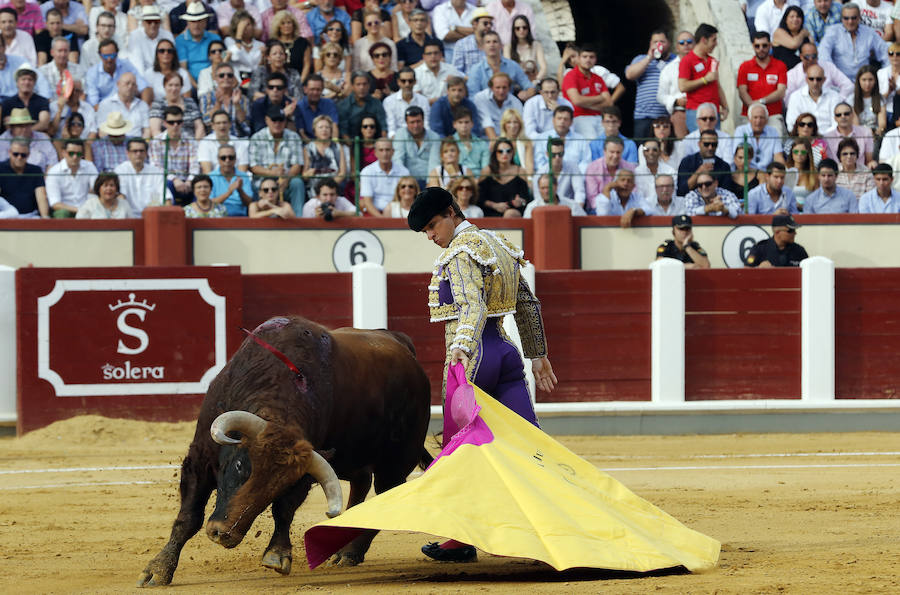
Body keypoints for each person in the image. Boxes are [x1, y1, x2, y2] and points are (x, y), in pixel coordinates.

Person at [407, 187, 556, 567]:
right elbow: (527, 303)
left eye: (433, 225)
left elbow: (471, 306)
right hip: (506, 353)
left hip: (473, 357)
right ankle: (550, 531)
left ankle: (460, 539)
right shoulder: (498, 244)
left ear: (451, 212)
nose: (431, 236)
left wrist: (462, 346)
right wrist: (537, 355)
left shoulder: (459, 252)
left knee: (460, 450)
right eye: (425, 231)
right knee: (529, 446)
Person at [249, 104, 305, 213]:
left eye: (280, 120)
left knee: (297, 183)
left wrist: (286, 178)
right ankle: (258, 218)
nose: (277, 123)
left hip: (286, 179)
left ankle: (298, 217)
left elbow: (297, 165)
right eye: (274, 120)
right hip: (263, 180)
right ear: (267, 120)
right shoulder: (257, 137)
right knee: (255, 185)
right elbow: (254, 167)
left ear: (285, 121)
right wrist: (272, 173)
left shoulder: (294, 137)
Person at [625, 28, 677, 142]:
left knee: (666, 148)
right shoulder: (641, 59)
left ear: (669, 43)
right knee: (642, 149)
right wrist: (649, 58)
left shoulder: (675, 61)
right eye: (655, 42)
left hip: (666, 117)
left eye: (662, 42)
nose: (658, 45)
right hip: (644, 117)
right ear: (650, 44)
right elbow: (629, 75)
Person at [819, 2, 889, 81]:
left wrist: (884, 78)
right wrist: (833, 76)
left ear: (859, 18)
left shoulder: (869, 33)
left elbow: (886, 54)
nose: (850, 21)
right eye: (846, 18)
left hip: (864, 83)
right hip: (839, 83)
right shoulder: (833, 32)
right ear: (841, 18)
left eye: (854, 18)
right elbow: (823, 56)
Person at [678, 23, 728, 131]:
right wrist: (705, 80)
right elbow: (682, 86)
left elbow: (717, 85)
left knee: (714, 141)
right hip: (696, 112)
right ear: (704, 40)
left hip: (714, 112)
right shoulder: (687, 60)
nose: (716, 44)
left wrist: (725, 107)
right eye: (713, 40)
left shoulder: (712, 60)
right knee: (700, 141)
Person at [737, 31, 788, 133]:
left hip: (773, 115)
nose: (761, 49)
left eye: (764, 46)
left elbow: (781, 92)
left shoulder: (780, 66)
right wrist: (753, 106)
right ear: (753, 46)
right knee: (745, 142)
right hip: (749, 115)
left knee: (775, 140)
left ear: (770, 45)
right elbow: (742, 91)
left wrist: (760, 102)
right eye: (757, 46)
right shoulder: (745, 66)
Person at [149, 105, 200, 205]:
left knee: (200, 185)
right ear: (165, 123)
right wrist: (174, 179)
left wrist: (190, 181)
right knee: (165, 185)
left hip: (187, 181)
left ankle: (198, 213)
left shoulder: (190, 140)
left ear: (182, 123)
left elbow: (195, 165)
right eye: (171, 122)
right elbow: (156, 167)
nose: (175, 125)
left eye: (179, 122)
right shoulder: (156, 142)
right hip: (168, 181)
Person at [562, 44, 612, 139]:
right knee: (592, 142)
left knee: (609, 141)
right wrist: (600, 98)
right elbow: (577, 100)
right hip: (579, 117)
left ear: (595, 60)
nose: (588, 60)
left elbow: (609, 103)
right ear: (578, 58)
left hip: (600, 117)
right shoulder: (571, 76)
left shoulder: (598, 78)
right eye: (584, 57)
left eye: (591, 57)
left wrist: (585, 104)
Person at [466, 30, 532, 102]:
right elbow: (472, 96)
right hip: (484, 106)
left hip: (509, 105)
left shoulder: (513, 65)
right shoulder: (476, 69)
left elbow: (529, 86)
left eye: (495, 42)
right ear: (482, 47)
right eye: (488, 42)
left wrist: (527, 94)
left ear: (501, 45)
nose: (492, 45)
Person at [85, 38, 152, 107]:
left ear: (117, 54)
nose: (109, 59)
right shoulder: (92, 73)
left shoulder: (126, 65)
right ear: (100, 55)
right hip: (104, 109)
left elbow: (144, 88)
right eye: (105, 56)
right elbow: (94, 103)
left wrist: (143, 108)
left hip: (128, 107)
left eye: (112, 55)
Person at [784, 41, 854, 105]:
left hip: (828, 106)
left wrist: (838, 102)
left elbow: (848, 85)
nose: (811, 59)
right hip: (803, 109)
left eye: (814, 56)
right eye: (807, 57)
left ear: (817, 55)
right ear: (801, 57)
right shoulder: (792, 74)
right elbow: (787, 99)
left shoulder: (828, 67)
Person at [114, 138, 172, 214]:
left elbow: (167, 197)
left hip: (152, 215)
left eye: (141, 151)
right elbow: (121, 197)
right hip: (128, 215)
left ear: (146, 153)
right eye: (135, 151)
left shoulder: (155, 171)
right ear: (128, 153)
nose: (138, 154)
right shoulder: (121, 170)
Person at [478, 137, 529, 217]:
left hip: (513, 212)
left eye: (508, 151)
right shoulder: (487, 171)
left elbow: (526, 198)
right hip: (490, 211)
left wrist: (520, 201)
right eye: (500, 151)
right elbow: (479, 197)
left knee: (510, 214)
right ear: (495, 153)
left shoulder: (520, 171)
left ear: (513, 153)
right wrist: (494, 205)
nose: (505, 154)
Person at [657, 30, 695, 139]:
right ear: (677, 47)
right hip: (679, 113)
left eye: (689, 41)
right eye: (682, 43)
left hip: (700, 113)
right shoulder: (668, 69)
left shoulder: (703, 65)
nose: (686, 44)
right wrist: (676, 101)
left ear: (695, 44)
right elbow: (660, 96)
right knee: (681, 145)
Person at [45, 138, 96, 217]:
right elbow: (55, 204)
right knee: (62, 213)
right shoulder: (54, 171)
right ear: (63, 153)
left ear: (82, 154)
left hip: (86, 210)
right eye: (71, 153)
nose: (75, 157)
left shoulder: (89, 166)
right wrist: (80, 210)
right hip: (65, 210)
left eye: (78, 154)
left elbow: (96, 189)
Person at [175, 1, 221, 87]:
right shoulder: (180, 41)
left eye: (199, 21)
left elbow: (221, 62)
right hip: (191, 84)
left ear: (205, 22)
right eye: (193, 21)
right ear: (187, 23)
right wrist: (197, 87)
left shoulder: (215, 38)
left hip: (214, 81)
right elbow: (184, 69)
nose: (196, 25)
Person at [358, 137, 409, 216]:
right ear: (375, 152)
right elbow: (367, 202)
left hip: (397, 212)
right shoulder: (367, 171)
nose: (384, 154)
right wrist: (383, 220)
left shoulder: (404, 171)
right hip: (375, 213)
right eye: (381, 150)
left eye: (387, 150)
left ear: (393, 152)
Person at [584, 137, 635, 213]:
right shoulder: (593, 168)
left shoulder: (629, 168)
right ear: (604, 151)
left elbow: (634, 193)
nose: (615, 156)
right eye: (612, 152)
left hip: (625, 208)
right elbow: (592, 199)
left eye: (618, 152)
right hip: (597, 210)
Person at [785, 64, 844, 130]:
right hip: (804, 135)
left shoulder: (834, 96)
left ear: (824, 80)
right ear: (806, 79)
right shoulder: (796, 97)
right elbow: (792, 123)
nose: (815, 83)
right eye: (811, 79)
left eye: (818, 79)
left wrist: (825, 135)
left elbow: (837, 123)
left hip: (830, 135)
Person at [199, 62, 250, 137]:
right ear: (215, 78)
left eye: (230, 75)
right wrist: (218, 104)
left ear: (233, 78)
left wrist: (237, 104)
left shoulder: (242, 98)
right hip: (215, 138)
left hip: (238, 138)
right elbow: (207, 121)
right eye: (221, 75)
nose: (226, 78)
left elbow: (245, 123)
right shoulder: (206, 97)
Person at [0, 139, 48, 217]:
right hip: (6, 216)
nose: (19, 157)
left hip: (31, 216)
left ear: (28, 155)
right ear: (9, 152)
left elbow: (41, 197)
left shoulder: (35, 170)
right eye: (15, 154)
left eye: (23, 155)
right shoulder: (1, 169)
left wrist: (45, 217)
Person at [0, 107, 57, 172]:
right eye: (20, 126)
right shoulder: (2, 141)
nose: (24, 129)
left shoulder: (42, 138)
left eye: (27, 125)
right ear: (12, 127)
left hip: (39, 176)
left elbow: (52, 161)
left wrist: (46, 177)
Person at [677, 130, 731, 197]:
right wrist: (699, 172)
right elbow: (682, 191)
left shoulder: (724, 166)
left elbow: (726, 193)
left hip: (717, 201)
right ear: (699, 144)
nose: (710, 148)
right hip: (691, 201)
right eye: (706, 144)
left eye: (714, 144)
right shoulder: (687, 162)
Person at [149, 71, 204, 138]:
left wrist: (195, 143)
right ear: (164, 86)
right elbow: (155, 130)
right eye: (170, 85)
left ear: (181, 87)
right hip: (166, 141)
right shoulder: (158, 104)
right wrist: (163, 143)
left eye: (177, 85)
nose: (174, 88)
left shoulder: (190, 102)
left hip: (190, 141)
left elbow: (199, 127)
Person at [96, 71, 150, 138]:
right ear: (118, 84)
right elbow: (102, 132)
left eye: (133, 84)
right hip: (115, 141)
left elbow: (146, 130)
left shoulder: (142, 105)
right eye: (127, 83)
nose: (130, 86)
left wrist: (143, 142)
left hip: (137, 142)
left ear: (136, 87)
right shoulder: (106, 104)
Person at [733, 102, 786, 170]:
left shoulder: (773, 131)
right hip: (746, 171)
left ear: (766, 120)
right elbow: (738, 158)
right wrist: (757, 173)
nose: (758, 121)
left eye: (762, 117)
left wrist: (782, 170)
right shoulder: (741, 130)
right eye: (755, 117)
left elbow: (778, 156)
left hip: (768, 172)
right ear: (749, 119)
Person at [302, 114, 346, 192]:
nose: (324, 130)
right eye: (320, 127)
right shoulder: (307, 148)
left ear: (331, 131)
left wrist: (329, 187)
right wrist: (308, 173)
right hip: (314, 189)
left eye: (327, 127)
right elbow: (304, 175)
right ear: (314, 131)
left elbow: (342, 173)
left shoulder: (338, 147)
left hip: (333, 188)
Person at [337, 70, 387, 139]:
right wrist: (353, 145)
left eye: (364, 84)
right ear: (352, 86)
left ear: (369, 85)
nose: (362, 87)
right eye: (358, 84)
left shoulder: (376, 103)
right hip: (352, 142)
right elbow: (344, 132)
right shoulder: (343, 105)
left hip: (374, 142)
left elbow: (383, 127)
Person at [472, 72, 523, 140]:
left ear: (509, 88)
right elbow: (486, 121)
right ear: (491, 88)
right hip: (485, 140)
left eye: (504, 87)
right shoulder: (480, 98)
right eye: (498, 88)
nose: (501, 91)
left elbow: (520, 125)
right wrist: (497, 143)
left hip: (510, 140)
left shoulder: (516, 102)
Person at [825, 103, 876, 169]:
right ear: (835, 118)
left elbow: (869, 160)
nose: (843, 117)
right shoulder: (827, 137)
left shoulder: (865, 132)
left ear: (852, 115)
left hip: (861, 172)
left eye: (846, 114)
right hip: (837, 173)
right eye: (839, 115)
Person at [127, 5, 174, 74]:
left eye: (156, 21)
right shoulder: (135, 36)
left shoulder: (168, 35)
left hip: (165, 73)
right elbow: (137, 64)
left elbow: (172, 60)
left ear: (160, 23)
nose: (153, 25)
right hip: (143, 75)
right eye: (149, 21)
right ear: (143, 23)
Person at [2, 63, 50, 132]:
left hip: (36, 136)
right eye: (23, 79)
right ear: (17, 83)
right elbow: (8, 127)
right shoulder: (8, 103)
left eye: (30, 79)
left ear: (34, 83)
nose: (27, 82)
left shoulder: (42, 101)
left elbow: (44, 123)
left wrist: (26, 133)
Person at [413, 41, 463, 105]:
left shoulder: (451, 70)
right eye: (429, 54)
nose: (433, 56)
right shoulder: (417, 73)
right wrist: (441, 101)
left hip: (450, 107)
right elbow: (417, 100)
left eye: (436, 53)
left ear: (441, 55)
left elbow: (463, 92)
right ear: (424, 57)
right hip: (426, 108)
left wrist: (454, 82)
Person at [383, 66, 429, 136]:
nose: (407, 84)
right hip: (398, 138)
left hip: (419, 137)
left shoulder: (423, 100)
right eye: (403, 81)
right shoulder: (389, 101)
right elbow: (391, 129)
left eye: (410, 81)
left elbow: (426, 125)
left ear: (415, 82)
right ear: (398, 82)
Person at [208, 143, 251, 215]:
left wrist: (240, 190)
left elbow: (249, 203)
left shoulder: (243, 176)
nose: (227, 160)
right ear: (218, 159)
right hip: (217, 214)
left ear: (235, 159)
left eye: (231, 157)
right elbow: (208, 204)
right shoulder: (210, 177)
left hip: (239, 215)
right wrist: (229, 193)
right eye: (223, 158)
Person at [37, 34, 85, 100]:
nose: (63, 54)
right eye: (60, 51)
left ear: (69, 52)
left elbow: (83, 94)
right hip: (49, 105)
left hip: (73, 104)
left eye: (65, 51)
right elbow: (41, 96)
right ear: (52, 52)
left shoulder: (78, 69)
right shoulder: (42, 71)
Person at [451, 7, 494, 76]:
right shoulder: (462, 44)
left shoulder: (494, 43)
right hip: (468, 81)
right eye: (485, 23)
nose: (489, 26)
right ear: (475, 24)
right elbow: (456, 70)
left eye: (490, 24)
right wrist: (470, 79)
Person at [271, 10, 311, 83]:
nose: (286, 26)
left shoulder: (303, 42)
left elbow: (307, 65)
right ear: (278, 26)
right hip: (276, 82)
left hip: (299, 80)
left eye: (289, 23)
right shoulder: (272, 43)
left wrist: (300, 83)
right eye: (283, 23)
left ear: (294, 25)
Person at [225, 10, 264, 81]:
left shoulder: (260, 45)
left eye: (248, 24)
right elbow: (235, 57)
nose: (245, 28)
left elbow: (261, 67)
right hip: (237, 81)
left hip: (256, 81)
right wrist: (239, 34)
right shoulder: (229, 41)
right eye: (242, 26)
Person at [505, 15, 545, 82]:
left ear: (528, 28)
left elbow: (543, 67)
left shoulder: (536, 45)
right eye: (517, 28)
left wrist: (536, 81)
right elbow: (508, 68)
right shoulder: (508, 47)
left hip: (533, 81)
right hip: (515, 82)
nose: (521, 30)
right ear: (513, 30)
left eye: (524, 27)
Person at [852, 64, 887, 138]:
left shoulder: (880, 99)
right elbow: (855, 125)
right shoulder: (851, 99)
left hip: (876, 135)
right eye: (864, 80)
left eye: (870, 80)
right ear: (858, 81)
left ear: (875, 81)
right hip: (858, 136)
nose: (867, 83)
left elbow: (882, 124)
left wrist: (875, 133)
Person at [772, 6, 811, 70]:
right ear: (786, 19)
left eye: (798, 16)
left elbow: (812, 49)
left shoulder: (804, 33)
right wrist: (803, 33)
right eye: (792, 17)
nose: (795, 19)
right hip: (782, 71)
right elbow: (794, 44)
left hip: (802, 71)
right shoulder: (779, 32)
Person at [452, 106, 489, 173]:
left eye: (466, 122)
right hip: (457, 177)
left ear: (472, 124)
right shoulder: (449, 143)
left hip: (478, 178)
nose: (464, 126)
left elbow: (485, 169)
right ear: (454, 125)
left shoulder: (482, 144)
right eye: (460, 122)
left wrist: (478, 179)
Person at [784, 137, 818, 208]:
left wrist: (801, 206)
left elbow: (818, 200)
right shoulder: (785, 171)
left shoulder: (814, 174)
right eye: (796, 151)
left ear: (808, 154)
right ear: (791, 153)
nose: (799, 154)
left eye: (803, 152)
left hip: (807, 211)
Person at [499, 108, 533, 174]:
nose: (512, 126)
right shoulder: (498, 142)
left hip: (522, 177)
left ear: (520, 124)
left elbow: (529, 168)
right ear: (504, 125)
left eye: (515, 122)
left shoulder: (527, 142)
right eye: (509, 122)